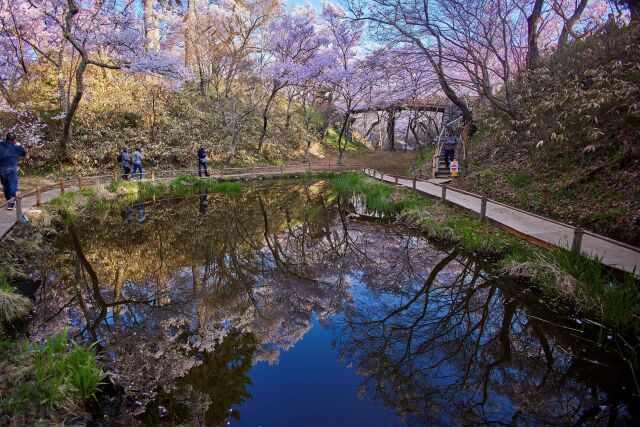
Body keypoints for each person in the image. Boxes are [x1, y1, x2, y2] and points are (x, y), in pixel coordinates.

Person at [0, 131, 28, 210]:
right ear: (15, 139)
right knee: (12, 185)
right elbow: (26, 156)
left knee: (5, 186)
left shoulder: (1, 144)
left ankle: (9, 201)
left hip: (1, 168)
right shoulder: (16, 147)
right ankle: (11, 203)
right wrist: (20, 146)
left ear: (6, 138)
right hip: (12, 168)